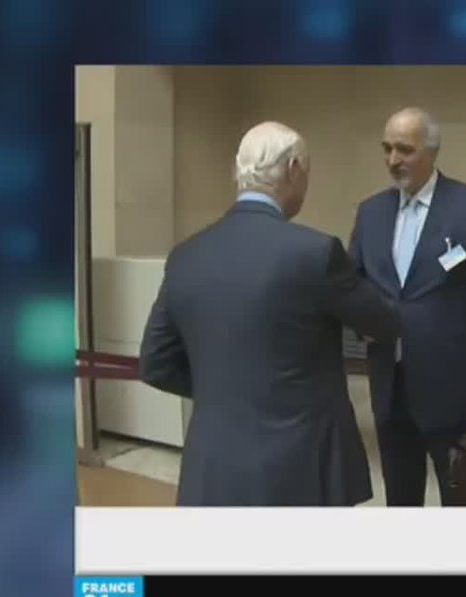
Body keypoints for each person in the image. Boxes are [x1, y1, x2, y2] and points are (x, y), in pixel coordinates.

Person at [139, 121, 399, 506]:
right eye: (307, 173)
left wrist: (225, 391)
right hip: (301, 467)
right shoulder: (315, 253)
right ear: (293, 169)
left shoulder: (186, 256)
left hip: (212, 468)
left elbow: (154, 363)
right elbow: (384, 322)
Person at [348, 107, 466, 507]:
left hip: (455, 391)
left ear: (432, 150)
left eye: (405, 149)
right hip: (390, 387)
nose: (393, 160)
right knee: (401, 501)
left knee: (463, 500)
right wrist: (360, 323)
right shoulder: (370, 212)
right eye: (387, 149)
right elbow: (353, 287)